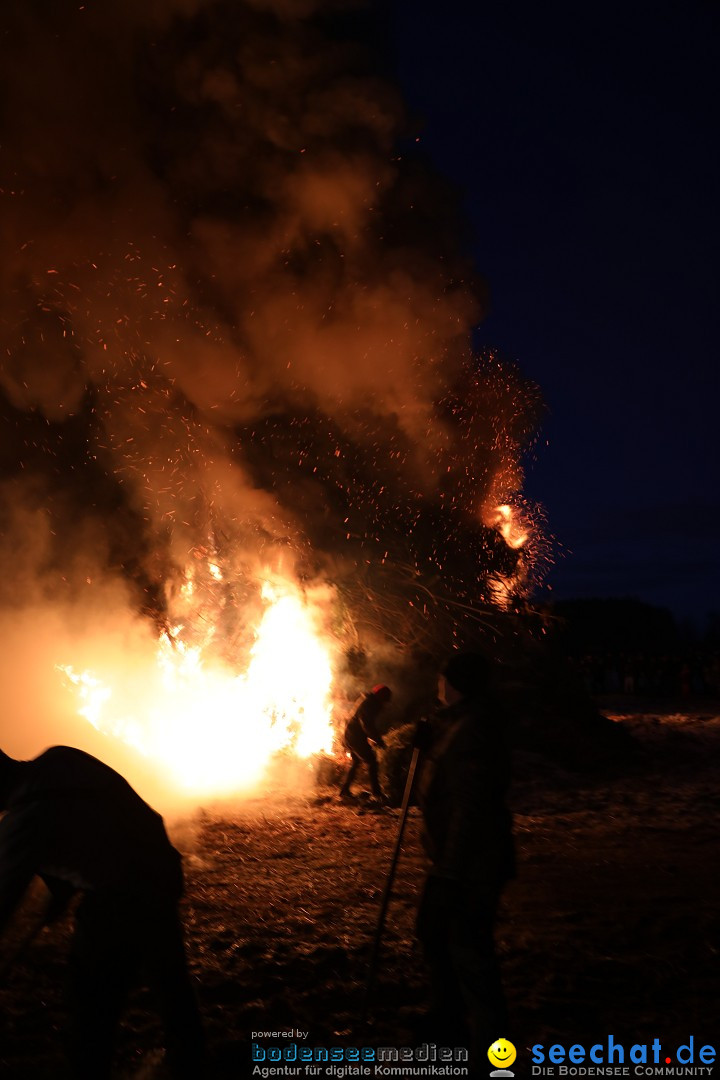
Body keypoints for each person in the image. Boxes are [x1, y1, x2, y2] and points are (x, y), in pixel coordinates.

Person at [0, 745, 205, 1079]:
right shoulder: (61, 758)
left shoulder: (22, 822)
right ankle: (189, 1055)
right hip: (162, 868)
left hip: (121, 896)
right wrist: (61, 893)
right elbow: (90, 824)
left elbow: (4, 900)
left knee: (91, 999)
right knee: (168, 975)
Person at [415, 652, 515, 1064]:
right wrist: (431, 737)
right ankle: (448, 1026)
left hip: (469, 864)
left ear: (453, 683)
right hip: (455, 860)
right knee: (433, 932)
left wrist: (452, 871)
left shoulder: (474, 729)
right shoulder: (464, 721)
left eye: (442, 680)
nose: (437, 686)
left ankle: (494, 1055)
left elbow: (470, 806)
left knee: (471, 954)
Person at [339, 684, 392, 801]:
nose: (385, 703)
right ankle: (376, 793)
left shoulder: (370, 701)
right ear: (381, 697)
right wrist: (378, 740)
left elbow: (367, 725)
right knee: (372, 761)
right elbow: (366, 724)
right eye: (385, 700)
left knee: (356, 762)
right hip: (354, 737)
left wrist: (375, 738)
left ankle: (344, 791)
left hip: (352, 735)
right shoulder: (369, 704)